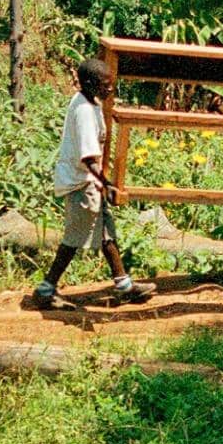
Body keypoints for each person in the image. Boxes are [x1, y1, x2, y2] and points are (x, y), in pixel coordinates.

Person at [31, 57, 155, 309]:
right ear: (89, 83)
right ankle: (45, 289)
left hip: (88, 181)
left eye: (111, 83)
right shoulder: (85, 112)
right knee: (73, 239)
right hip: (82, 183)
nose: (110, 88)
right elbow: (88, 158)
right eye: (104, 84)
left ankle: (124, 286)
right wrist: (106, 183)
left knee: (107, 234)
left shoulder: (88, 101)